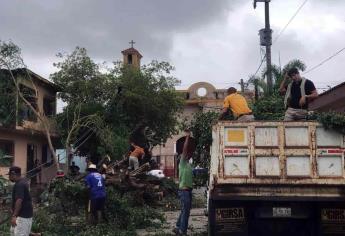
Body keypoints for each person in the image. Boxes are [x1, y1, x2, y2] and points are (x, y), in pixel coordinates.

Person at [173, 131, 194, 236]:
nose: (188, 154)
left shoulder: (188, 165)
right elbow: (185, 150)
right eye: (186, 154)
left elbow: (189, 151)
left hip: (188, 191)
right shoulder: (182, 162)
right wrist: (187, 137)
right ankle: (182, 231)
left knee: (185, 210)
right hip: (184, 191)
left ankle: (177, 227)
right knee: (186, 212)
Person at [8, 166, 33, 236]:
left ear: (13, 174)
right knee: (13, 232)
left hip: (22, 216)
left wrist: (14, 216)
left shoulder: (20, 185)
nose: (9, 177)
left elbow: (19, 200)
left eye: (9, 175)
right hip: (22, 216)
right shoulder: (23, 181)